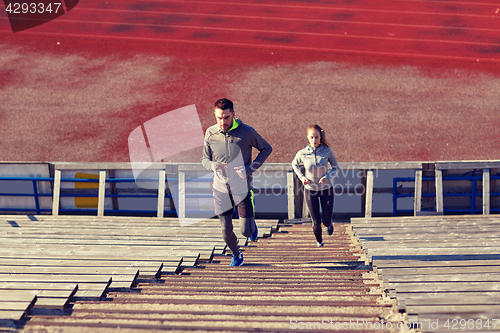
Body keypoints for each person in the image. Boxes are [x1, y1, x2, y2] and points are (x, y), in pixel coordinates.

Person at [201, 98, 272, 266]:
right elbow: (204, 159)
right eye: (219, 118)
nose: (222, 122)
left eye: (226, 117)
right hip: (220, 189)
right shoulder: (210, 133)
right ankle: (237, 254)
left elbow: (266, 148)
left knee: (246, 232)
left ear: (233, 114)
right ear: (215, 115)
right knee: (226, 230)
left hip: (242, 189)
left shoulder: (246, 132)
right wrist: (213, 165)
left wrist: (249, 168)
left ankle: (251, 224)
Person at [291, 125, 339, 247]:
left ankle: (329, 224)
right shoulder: (303, 153)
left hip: (326, 189)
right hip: (310, 190)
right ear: (307, 137)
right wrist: (302, 178)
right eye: (311, 137)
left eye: (316, 137)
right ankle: (319, 242)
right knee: (316, 222)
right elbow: (294, 164)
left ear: (320, 137)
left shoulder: (327, 151)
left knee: (326, 220)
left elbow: (336, 168)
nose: (314, 140)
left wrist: (327, 177)